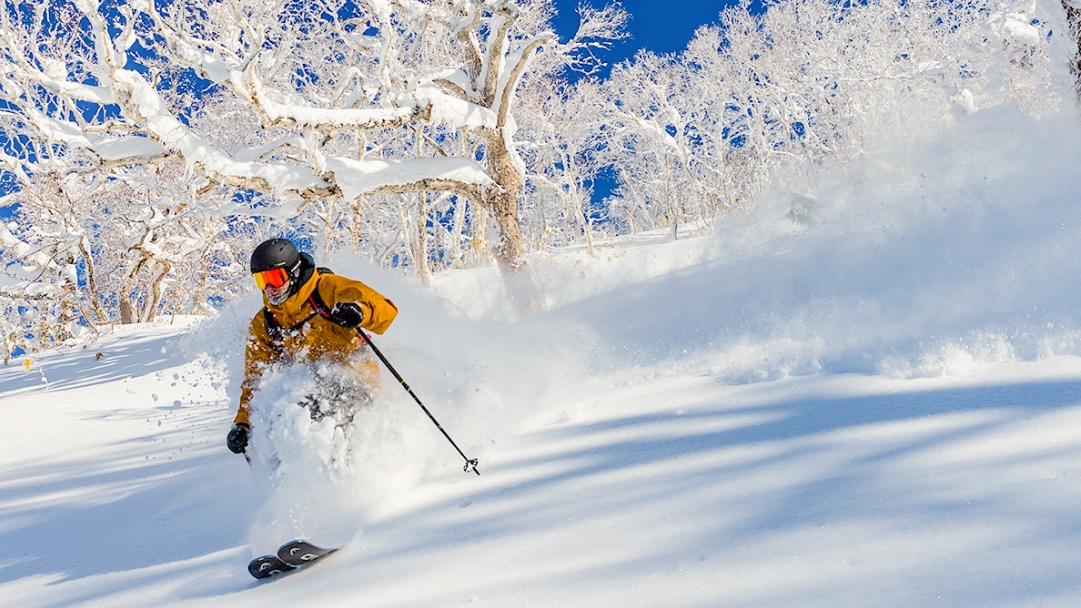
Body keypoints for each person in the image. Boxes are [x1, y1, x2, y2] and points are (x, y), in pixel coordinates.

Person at [227, 238, 398, 455]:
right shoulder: (265, 322)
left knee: (325, 404)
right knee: (275, 418)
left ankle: (355, 469)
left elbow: (386, 309)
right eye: (262, 281)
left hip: (355, 375)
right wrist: (243, 423)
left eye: (275, 279)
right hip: (306, 386)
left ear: (294, 272)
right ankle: (291, 480)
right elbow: (256, 378)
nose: (270, 289)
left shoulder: (327, 288)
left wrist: (360, 312)